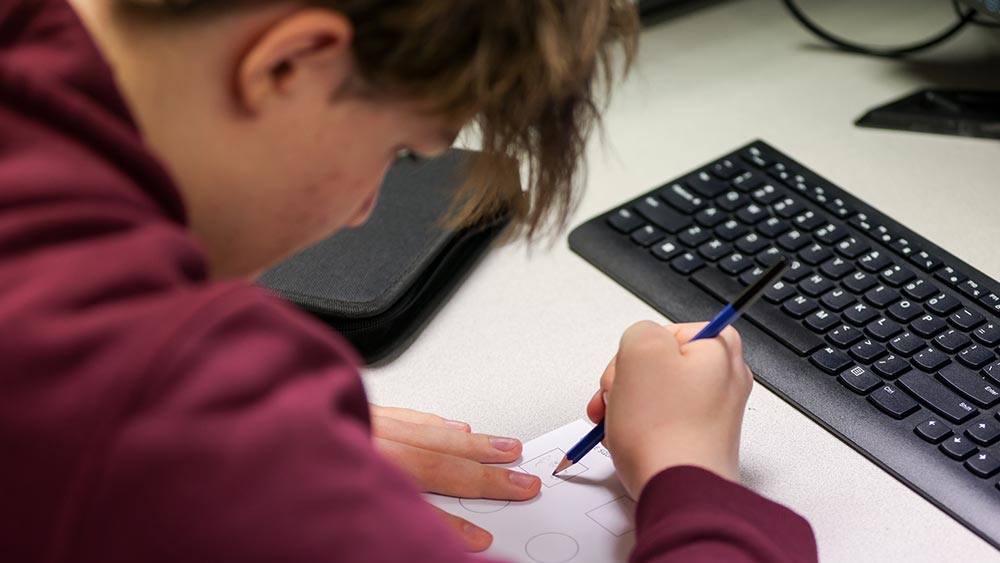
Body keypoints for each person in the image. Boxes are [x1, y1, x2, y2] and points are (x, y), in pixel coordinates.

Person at [0, 0, 818, 561]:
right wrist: (693, 472)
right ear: (291, 63)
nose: (363, 214)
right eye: (399, 153)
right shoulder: (155, 397)